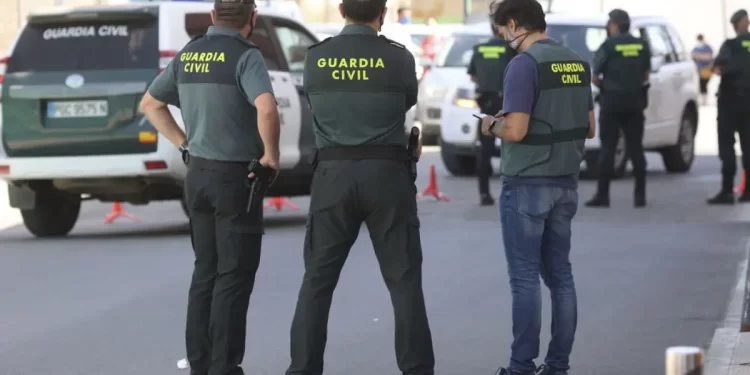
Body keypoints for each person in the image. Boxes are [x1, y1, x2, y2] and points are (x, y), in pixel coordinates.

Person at [285, 0, 434, 374]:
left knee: (317, 282)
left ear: (340, 10)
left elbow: (317, 106)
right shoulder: (399, 59)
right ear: (382, 13)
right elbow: (407, 102)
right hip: (388, 177)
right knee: (404, 283)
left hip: (333, 177)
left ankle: (302, 370)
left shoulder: (317, 58)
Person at [139, 1, 281, 374]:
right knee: (234, 275)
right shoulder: (246, 56)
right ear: (251, 19)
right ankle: (225, 366)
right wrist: (271, 156)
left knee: (206, 271)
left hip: (198, 175)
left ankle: (200, 364)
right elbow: (266, 107)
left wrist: (183, 142)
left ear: (214, 17)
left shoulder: (189, 53)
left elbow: (151, 104)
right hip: (236, 180)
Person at [480, 0, 595, 373]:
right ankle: (558, 365)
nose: (504, 40)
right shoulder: (577, 62)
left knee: (525, 278)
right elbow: (590, 127)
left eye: (502, 32)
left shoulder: (523, 65)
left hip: (527, 183)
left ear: (514, 24)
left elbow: (515, 129)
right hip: (566, 182)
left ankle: (521, 366)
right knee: (560, 275)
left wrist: (490, 125)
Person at [585, 9, 652, 208]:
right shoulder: (642, 45)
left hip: (612, 103)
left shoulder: (608, 45)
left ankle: (603, 195)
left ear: (614, 25)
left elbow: (595, 76)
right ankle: (640, 197)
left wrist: (606, 88)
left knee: (608, 149)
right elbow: (646, 75)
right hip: (634, 103)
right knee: (636, 149)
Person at [707, 9, 750, 204]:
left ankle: (727, 191)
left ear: (736, 24)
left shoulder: (730, 45)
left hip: (730, 103)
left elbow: (716, 67)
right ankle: (748, 191)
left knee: (727, 147)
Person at [467, 23, 512, 206]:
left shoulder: (480, 48)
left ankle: (484, 194)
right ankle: (511, 192)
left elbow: (473, 76)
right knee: (510, 149)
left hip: (485, 102)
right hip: (507, 103)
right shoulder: (510, 49)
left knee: (485, 151)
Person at [692, 34, 714, 105]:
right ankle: (703, 100)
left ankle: (705, 100)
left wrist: (699, 56)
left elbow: (709, 57)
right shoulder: (696, 48)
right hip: (699, 70)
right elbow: (692, 56)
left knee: (704, 84)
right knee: (701, 85)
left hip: (707, 70)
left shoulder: (707, 47)